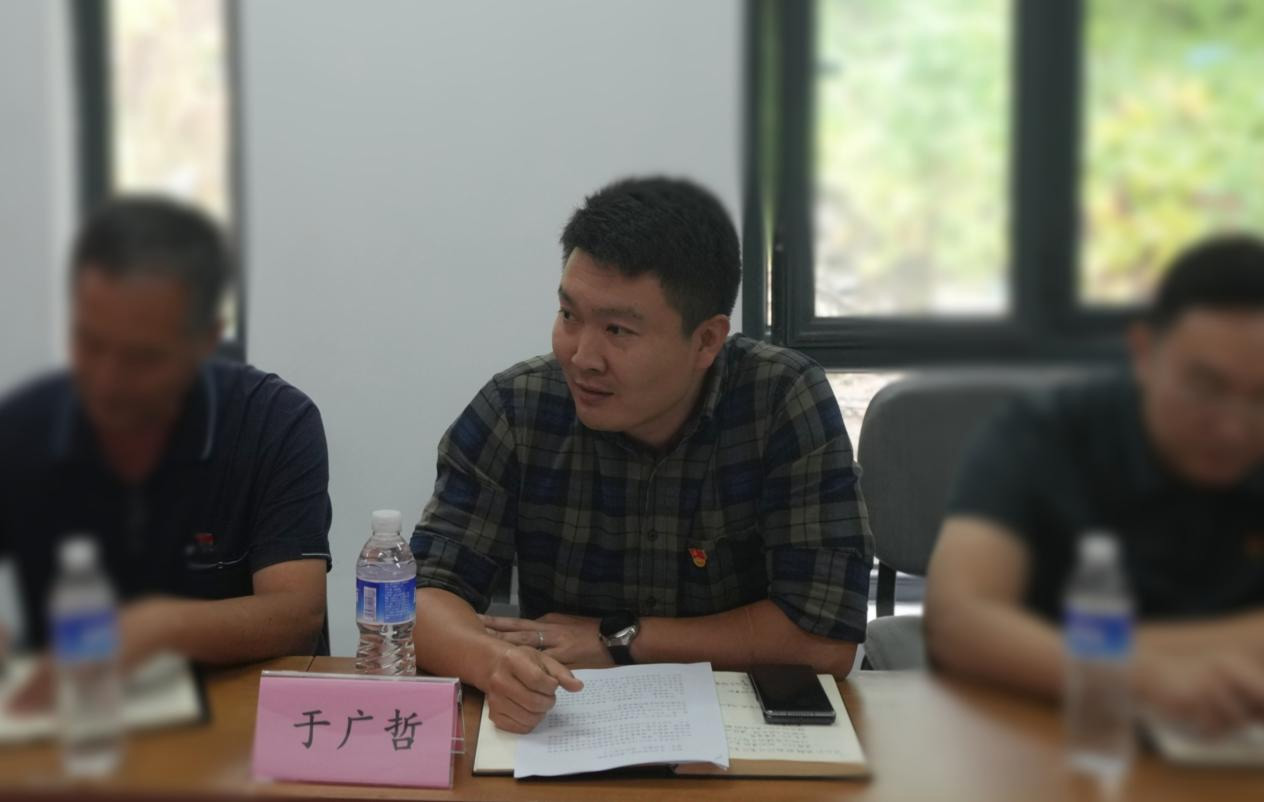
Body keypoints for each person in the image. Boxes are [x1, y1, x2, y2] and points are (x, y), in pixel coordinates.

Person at [410, 177, 873, 733]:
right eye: (568, 315)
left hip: (745, 731)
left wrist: (619, 640)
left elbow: (825, 639)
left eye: (618, 330)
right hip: (567, 723)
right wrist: (496, 664)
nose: (582, 356)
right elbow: (419, 599)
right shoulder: (517, 407)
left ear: (706, 340)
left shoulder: (780, 400)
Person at [925, 234, 1264, 735]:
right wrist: (1144, 674)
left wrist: (1046, 649)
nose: (1234, 427)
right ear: (1144, 352)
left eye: (1262, 397)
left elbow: (988, 637)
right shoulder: (1042, 432)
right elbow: (957, 622)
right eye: (1206, 388)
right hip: (1045, 736)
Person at [0, 196, 332, 706]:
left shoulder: (273, 422)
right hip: (76, 720)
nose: (106, 381)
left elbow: (297, 614)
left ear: (206, 340)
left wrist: (161, 627)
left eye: (141, 358)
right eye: (90, 343)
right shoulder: (27, 426)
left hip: (243, 725)